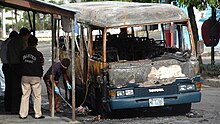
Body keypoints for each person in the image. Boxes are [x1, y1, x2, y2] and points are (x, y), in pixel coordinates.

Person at [19, 35, 45, 119]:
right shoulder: (38, 54)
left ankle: (23, 114)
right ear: (36, 44)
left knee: (25, 95)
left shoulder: (22, 53)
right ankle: (37, 114)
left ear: (27, 43)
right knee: (37, 96)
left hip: (24, 76)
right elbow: (42, 63)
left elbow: (20, 63)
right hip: (35, 76)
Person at [7, 27, 31, 114]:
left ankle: (13, 108)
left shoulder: (11, 42)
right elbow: (24, 54)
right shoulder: (22, 42)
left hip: (12, 66)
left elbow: (8, 55)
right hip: (20, 66)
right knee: (23, 89)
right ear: (26, 35)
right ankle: (21, 108)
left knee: (13, 88)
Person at [0, 31, 19, 113]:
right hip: (10, 66)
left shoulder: (4, 43)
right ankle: (12, 106)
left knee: (8, 86)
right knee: (13, 87)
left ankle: (8, 106)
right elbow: (11, 56)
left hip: (5, 65)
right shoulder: (11, 44)